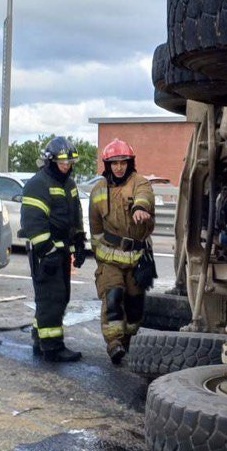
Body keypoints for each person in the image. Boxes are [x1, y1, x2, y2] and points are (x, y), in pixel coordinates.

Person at [89, 139, 155, 365]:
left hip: (136, 258)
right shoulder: (98, 190)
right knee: (114, 297)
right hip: (109, 257)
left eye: (123, 162)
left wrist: (140, 209)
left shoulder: (140, 182)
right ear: (107, 165)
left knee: (135, 305)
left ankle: (128, 340)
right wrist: (99, 259)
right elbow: (95, 228)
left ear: (130, 163)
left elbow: (144, 197)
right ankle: (114, 343)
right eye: (114, 163)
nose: (119, 167)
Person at [20, 136, 86, 363]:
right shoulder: (38, 183)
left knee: (59, 297)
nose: (67, 167)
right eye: (62, 163)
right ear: (50, 161)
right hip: (45, 253)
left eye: (69, 163)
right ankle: (52, 347)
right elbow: (33, 222)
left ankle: (40, 337)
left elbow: (75, 214)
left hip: (61, 250)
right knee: (52, 299)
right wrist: (46, 251)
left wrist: (79, 241)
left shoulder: (69, 184)